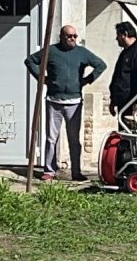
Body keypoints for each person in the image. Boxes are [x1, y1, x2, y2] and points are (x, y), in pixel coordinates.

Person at [27, 22, 104, 180]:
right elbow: (30, 61)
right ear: (61, 36)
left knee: (74, 139)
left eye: (75, 36)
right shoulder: (51, 51)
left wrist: (86, 80)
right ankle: (49, 170)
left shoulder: (82, 53)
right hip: (53, 101)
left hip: (74, 102)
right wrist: (42, 78)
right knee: (51, 138)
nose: (72, 38)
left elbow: (101, 65)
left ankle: (76, 172)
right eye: (69, 36)